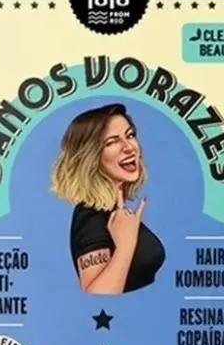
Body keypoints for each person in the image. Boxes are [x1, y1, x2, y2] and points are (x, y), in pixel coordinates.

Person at [51, 103, 166, 293]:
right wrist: (126, 246)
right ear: (90, 156)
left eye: (130, 135)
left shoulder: (112, 210)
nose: (129, 147)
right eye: (112, 142)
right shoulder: (92, 216)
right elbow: (96, 294)